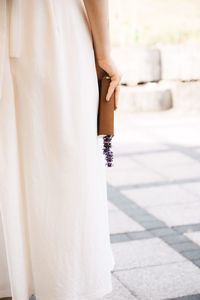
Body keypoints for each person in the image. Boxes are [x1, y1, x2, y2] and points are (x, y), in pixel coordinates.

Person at [0, 0, 121, 300]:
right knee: (63, 161)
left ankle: (11, 273)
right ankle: (62, 282)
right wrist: (103, 53)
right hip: (54, 33)